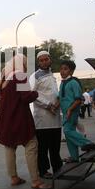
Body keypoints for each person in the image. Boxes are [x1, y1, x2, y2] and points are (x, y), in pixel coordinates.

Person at [0, 54, 51, 189]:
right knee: (31, 145)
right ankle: (35, 180)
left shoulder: (4, 76)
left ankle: (14, 177)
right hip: (19, 117)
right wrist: (35, 92)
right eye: (24, 62)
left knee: (9, 146)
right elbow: (26, 97)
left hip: (5, 118)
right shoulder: (20, 76)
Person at [29, 51, 63, 180]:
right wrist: (49, 105)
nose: (44, 62)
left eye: (46, 59)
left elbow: (55, 92)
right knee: (43, 147)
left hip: (55, 116)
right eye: (41, 60)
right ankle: (43, 170)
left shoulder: (52, 75)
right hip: (43, 117)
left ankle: (57, 167)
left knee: (55, 146)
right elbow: (33, 94)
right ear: (38, 62)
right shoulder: (35, 76)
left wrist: (57, 104)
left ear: (50, 60)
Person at [59, 61, 95, 163]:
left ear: (71, 71)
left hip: (71, 112)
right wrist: (55, 106)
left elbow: (78, 99)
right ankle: (74, 157)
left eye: (65, 69)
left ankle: (87, 143)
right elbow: (61, 98)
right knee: (68, 135)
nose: (62, 71)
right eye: (61, 69)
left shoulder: (73, 83)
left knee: (67, 131)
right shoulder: (63, 83)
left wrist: (70, 110)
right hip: (65, 112)